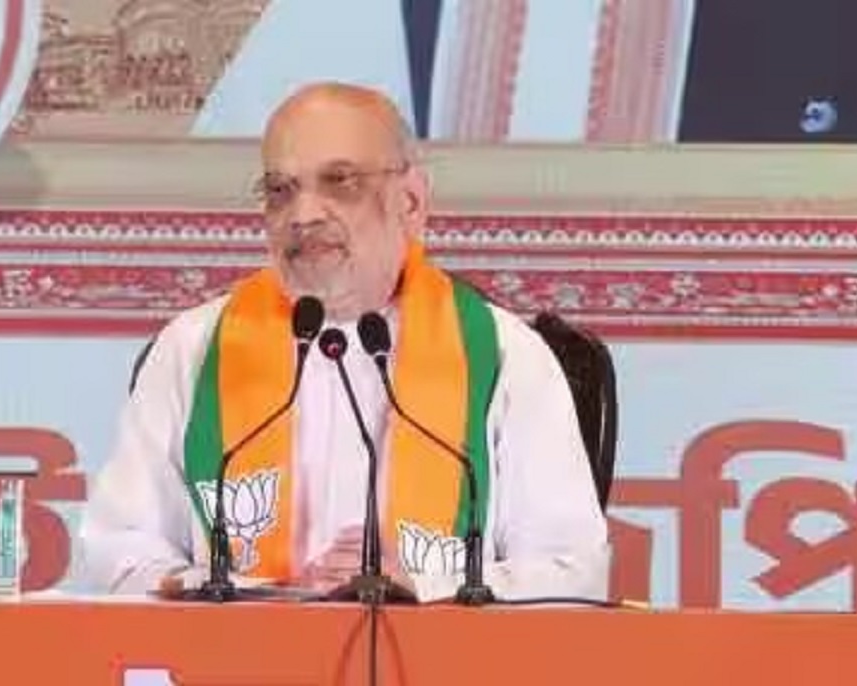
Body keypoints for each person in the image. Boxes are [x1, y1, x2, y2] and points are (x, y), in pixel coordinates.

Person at [79, 82, 610, 602]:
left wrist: (423, 586)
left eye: (340, 181)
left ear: (410, 202)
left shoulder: (505, 356)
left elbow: (571, 572)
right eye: (280, 190)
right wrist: (246, 595)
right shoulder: (194, 350)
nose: (303, 215)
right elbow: (121, 551)